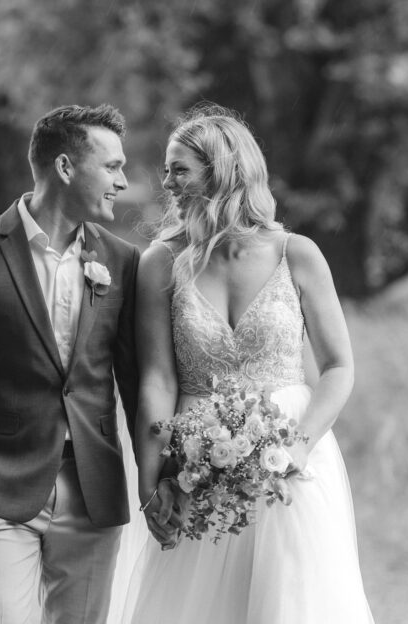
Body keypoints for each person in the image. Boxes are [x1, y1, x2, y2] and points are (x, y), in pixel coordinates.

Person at [122, 106, 375, 623]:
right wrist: (151, 487)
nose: (166, 182)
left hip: (292, 462)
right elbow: (157, 378)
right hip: (194, 463)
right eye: (166, 169)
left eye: (179, 170)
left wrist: (298, 448)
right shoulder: (161, 262)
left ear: (222, 172)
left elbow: (338, 367)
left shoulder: (298, 255)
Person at [0, 103, 140, 624]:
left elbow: (135, 383)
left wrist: (161, 479)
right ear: (65, 168)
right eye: (111, 167)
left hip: (92, 493)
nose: (123, 182)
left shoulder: (122, 261)